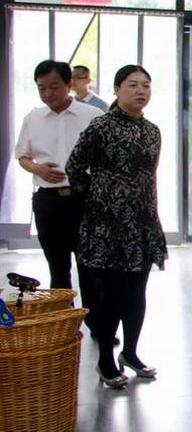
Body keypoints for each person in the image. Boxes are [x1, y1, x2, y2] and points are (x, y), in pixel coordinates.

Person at [66, 64, 167, 389]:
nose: (141, 91)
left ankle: (131, 353)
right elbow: (74, 167)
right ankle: (106, 361)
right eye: (132, 84)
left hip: (142, 223)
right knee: (112, 295)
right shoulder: (101, 126)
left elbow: (147, 177)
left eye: (146, 85)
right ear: (117, 89)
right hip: (107, 227)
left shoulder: (152, 131)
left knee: (137, 293)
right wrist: (99, 199)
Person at [14, 60, 103, 290]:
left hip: (85, 200)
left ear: (69, 84)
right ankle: (63, 314)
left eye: (53, 87)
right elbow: (22, 156)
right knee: (58, 270)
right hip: (48, 202)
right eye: (41, 88)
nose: (47, 94)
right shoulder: (33, 118)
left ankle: (94, 315)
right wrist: (38, 169)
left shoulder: (93, 115)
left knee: (91, 271)